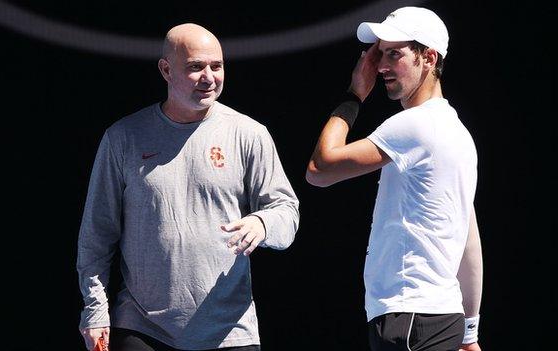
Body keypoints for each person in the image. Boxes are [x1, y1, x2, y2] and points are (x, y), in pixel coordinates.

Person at [76, 23, 299, 351]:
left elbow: (287, 213)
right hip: (142, 324)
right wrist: (95, 310)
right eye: (196, 67)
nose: (209, 77)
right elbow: (97, 234)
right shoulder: (123, 137)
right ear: (166, 70)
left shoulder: (249, 134)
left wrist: (262, 222)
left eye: (217, 66)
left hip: (229, 330)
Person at [305, 7, 483, 351]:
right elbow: (467, 236)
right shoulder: (459, 134)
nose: (381, 66)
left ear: (428, 58)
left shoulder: (413, 125)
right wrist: (470, 331)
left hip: (410, 318)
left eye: (394, 54)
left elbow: (319, 171)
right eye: (379, 54)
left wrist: (354, 95)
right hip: (441, 319)